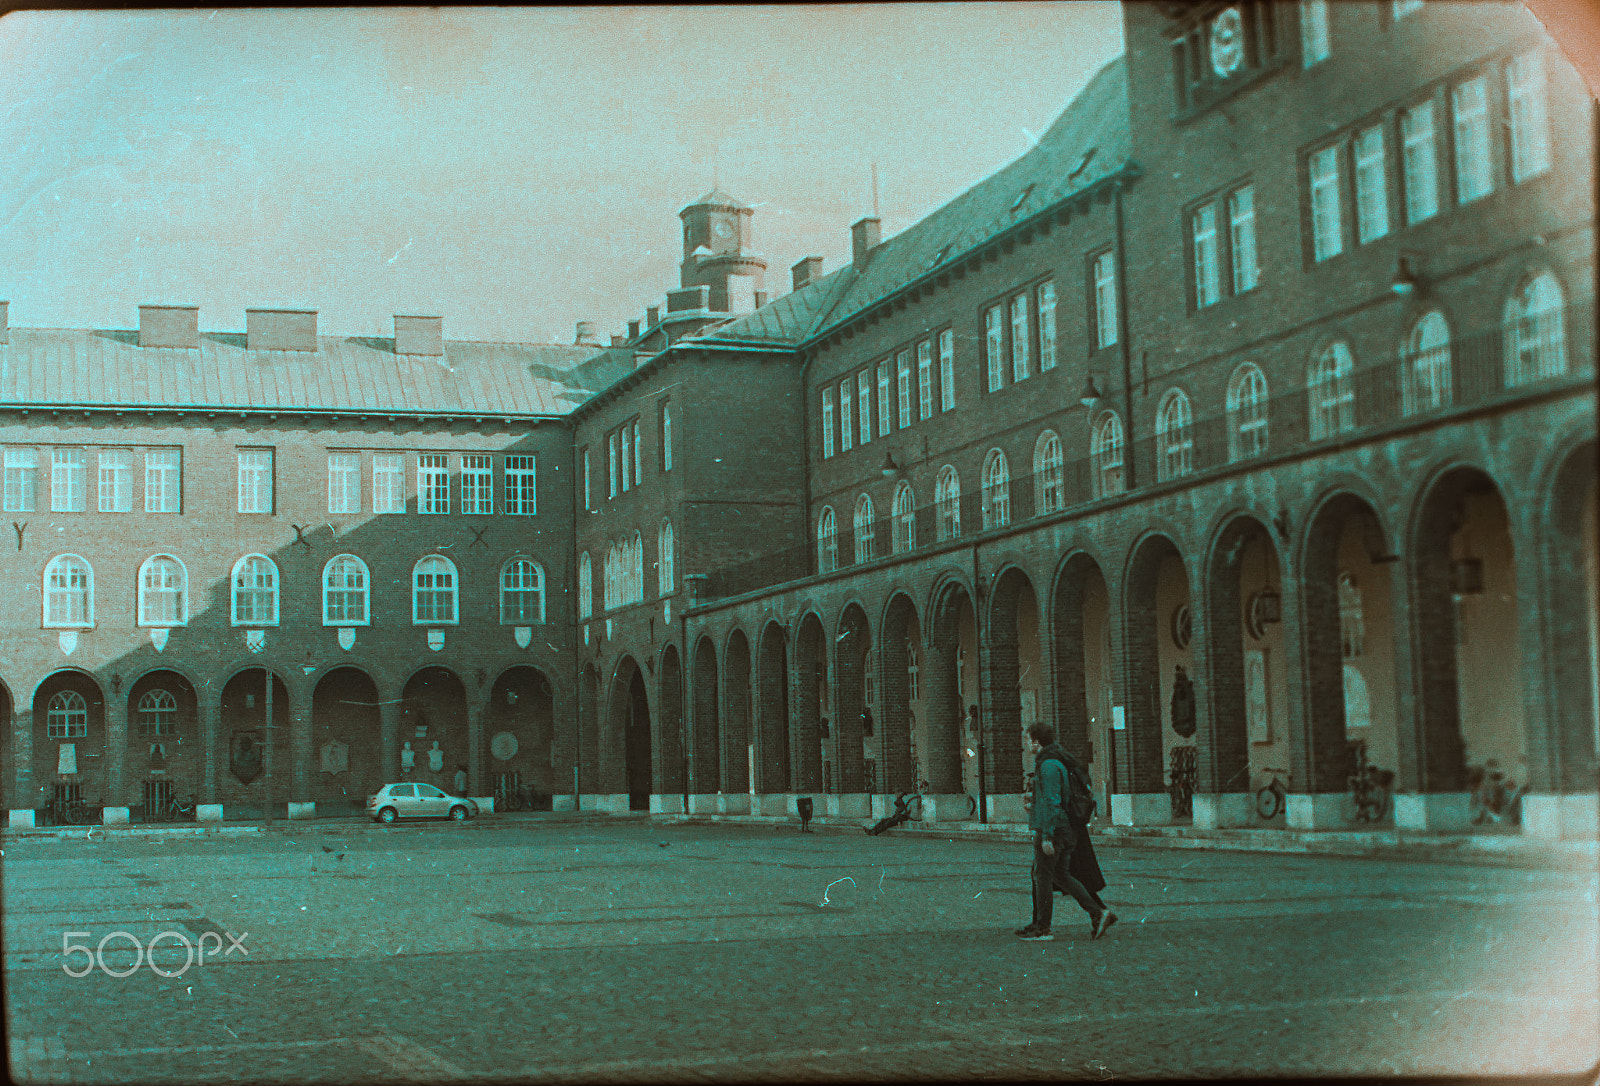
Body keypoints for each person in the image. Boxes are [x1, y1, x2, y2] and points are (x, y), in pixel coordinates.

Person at [1015, 722, 1116, 942]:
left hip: (1053, 829)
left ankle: (1043, 928)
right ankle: (1098, 913)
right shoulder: (1055, 762)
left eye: (1027, 739)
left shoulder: (1049, 765)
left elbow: (1053, 801)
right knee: (1061, 875)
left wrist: (1048, 835)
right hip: (1061, 828)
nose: (1026, 744)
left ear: (1036, 741)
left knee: (1042, 876)